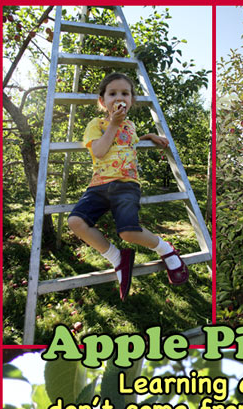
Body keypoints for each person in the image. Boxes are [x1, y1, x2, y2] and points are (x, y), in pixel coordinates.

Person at [68, 72, 189, 300]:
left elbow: (130, 141)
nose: (119, 97)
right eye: (112, 93)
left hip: (126, 185)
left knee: (128, 232)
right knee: (75, 221)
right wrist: (113, 123)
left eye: (125, 93)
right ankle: (116, 258)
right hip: (99, 185)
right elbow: (100, 150)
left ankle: (166, 249)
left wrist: (150, 135)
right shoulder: (97, 124)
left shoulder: (131, 126)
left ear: (131, 100)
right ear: (103, 101)